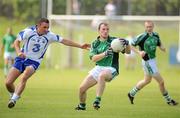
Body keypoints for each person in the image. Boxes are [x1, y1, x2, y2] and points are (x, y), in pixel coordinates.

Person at [5, 18, 90, 109]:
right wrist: (19, 53)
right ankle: (13, 94)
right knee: (8, 83)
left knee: (25, 76)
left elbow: (64, 41)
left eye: (48, 27)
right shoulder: (28, 31)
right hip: (22, 58)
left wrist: (80, 46)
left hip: (34, 61)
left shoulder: (50, 35)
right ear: (38, 26)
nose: (46, 29)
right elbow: (16, 42)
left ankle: (13, 100)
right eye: (44, 27)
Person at [75, 22, 130, 110]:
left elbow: (128, 52)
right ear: (99, 31)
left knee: (102, 76)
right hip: (98, 67)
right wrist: (105, 54)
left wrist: (127, 44)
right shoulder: (95, 43)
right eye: (103, 29)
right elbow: (93, 58)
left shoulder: (115, 41)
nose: (105, 31)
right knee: (82, 89)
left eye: (107, 29)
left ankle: (97, 100)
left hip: (111, 68)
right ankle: (82, 106)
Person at [128, 21, 178, 106]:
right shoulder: (142, 37)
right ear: (145, 27)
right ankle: (169, 100)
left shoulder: (156, 35)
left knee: (147, 80)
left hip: (153, 60)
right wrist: (139, 52)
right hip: (147, 62)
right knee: (161, 82)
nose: (149, 28)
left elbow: (159, 42)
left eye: (150, 27)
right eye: (147, 27)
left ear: (153, 27)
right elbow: (130, 45)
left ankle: (131, 93)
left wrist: (162, 47)